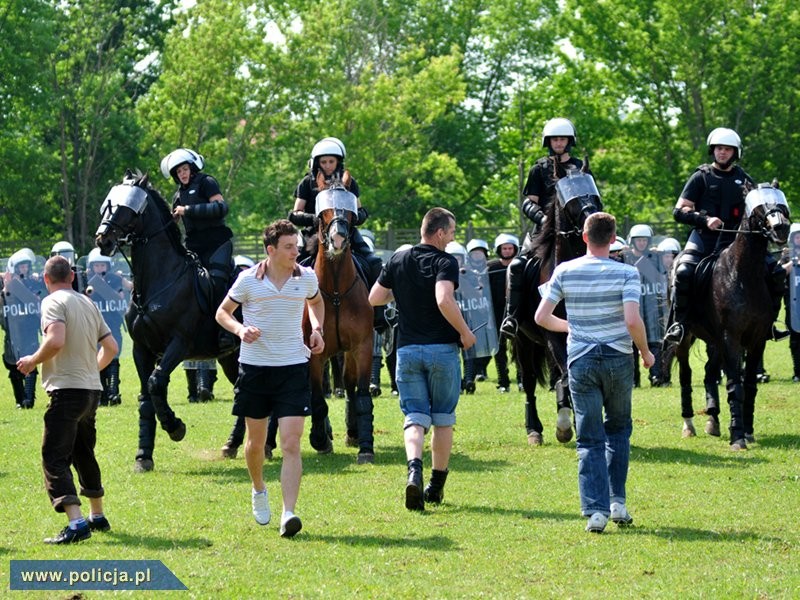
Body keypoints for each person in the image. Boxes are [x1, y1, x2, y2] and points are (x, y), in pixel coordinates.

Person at [534, 212, 654, 533]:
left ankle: (595, 511)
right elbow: (632, 320)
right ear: (614, 239)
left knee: (589, 437)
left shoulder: (564, 270)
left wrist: (570, 326)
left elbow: (541, 316)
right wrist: (645, 351)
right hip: (617, 358)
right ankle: (618, 503)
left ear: (584, 237)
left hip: (581, 360)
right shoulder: (627, 273)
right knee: (618, 430)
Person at [215, 219, 325, 538]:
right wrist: (240, 329)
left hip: (293, 367)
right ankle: (258, 488)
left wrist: (317, 329)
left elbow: (315, 301)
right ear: (271, 250)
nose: (297, 252)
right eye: (289, 247)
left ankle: (288, 513)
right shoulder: (247, 281)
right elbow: (222, 312)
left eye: (298, 246)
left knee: (291, 443)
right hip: (255, 369)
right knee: (256, 444)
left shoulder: (306, 278)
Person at [369, 207, 476, 511]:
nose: (452, 238)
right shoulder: (446, 261)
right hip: (442, 349)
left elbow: (375, 297)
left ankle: (413, 470)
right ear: (439, 232)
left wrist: (402, 294)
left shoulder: (398, 259)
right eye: (452, 232)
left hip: (407, 349)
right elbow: (444, 299)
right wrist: (466, 333)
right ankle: (435, 487)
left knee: (414, 416)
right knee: (443, 418)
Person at [16, 255, 118, 543]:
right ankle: (97, 515)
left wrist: (33, 361)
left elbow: (56, 339)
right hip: (91, 390)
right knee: (84, 452)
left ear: (46, 280)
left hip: (66, 390)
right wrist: (89, 369)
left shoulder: (51, 302)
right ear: (72, 276)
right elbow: (111, 347)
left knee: (54, 456)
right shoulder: (88, 303)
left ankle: (76, 525)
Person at [664, 127, 787, 344]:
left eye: (727, 149)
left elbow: (757, 211)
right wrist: (705, 220)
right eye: (719, 148)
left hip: (736, 242)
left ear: (735, 153)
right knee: (683, 272)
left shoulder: (744, 180)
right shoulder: (700, 177)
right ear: (713, 150)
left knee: (775, 271)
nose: (722, 152)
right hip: (703, 238)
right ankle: (680, 324)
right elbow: (679, 211)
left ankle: (769, 324)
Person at [501, 117, 590, 338]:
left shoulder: (580, 168)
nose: (558, 143)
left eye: (562, 139)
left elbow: (591, 197)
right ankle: (512, 317)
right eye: (554, 140)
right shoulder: (538, 169)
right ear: (548, 142)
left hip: (578, 231)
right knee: (518, 265)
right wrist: (542, 220)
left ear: (570, 141)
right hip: (543, 231)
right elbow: (529, 202)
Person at [161, 148, 235, 349]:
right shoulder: (178, 195)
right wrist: (174, 219)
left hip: (217, 243)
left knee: (217, 282)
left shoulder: (206, 182)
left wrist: (189, 211)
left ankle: (226, 332)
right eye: (178, 172)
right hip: (194, 246)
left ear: (191, 168)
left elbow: (221, 208)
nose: (182, 174)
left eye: (185, 169)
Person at [288, 137, 382, 286]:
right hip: (314, 232)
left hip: (346, 230)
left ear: (338, 161)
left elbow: (360, 210)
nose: (327, 166)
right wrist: (316, 219)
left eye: (331, 161)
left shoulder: (350, 182)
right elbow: (295, 213)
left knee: (375, 263)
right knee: (292, 265)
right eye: (323, 162)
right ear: (317, 162)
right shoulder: (306, 182)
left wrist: (352, 218)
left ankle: (379, 308)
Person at [2, 248, 47, 408]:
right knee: (13, 366)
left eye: (26, 266)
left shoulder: (32, 283)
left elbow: (40, 297)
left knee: (30, 363)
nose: (24, 269)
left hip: (29, 328)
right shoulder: (6, 285)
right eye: (21, 267)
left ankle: (29, 399)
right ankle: (19, 400)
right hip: (13, 331)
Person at [85, 248, 130, 406]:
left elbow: (129, 289)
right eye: (96, 266)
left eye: (102, 266)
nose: (99, 269)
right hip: (94, 328)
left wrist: (122, 281)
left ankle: (114, 392)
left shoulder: (115, 279)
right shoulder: (87, 281)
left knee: (113, 359)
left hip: (113, 325)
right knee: (97, 359)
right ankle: (101, 394)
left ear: (108, 266)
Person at [487, 233, 521, 392]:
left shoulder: (520, 265)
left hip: (516, 312)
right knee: (498, 349)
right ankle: (503, 382)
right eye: (504, 248)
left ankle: (522, 379)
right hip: (495, 313)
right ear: (499, 249)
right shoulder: (491, 267)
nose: (507, 251)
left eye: (510, 248)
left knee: (520, 348)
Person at [783, 223, 800, 382]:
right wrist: (794, 262)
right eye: (796, 236)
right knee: (795, 338)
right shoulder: (787, 254)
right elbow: (780, 271)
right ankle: (798, 371)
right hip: (793, 303)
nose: (799, 239)